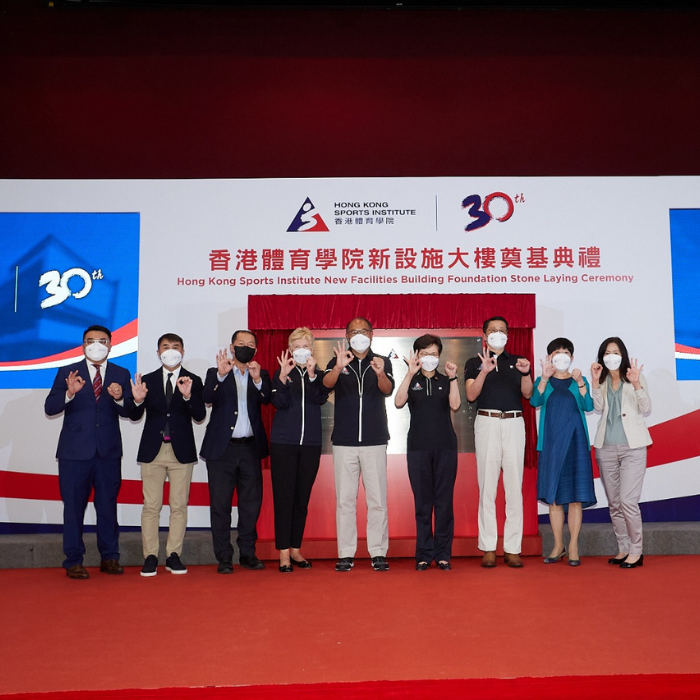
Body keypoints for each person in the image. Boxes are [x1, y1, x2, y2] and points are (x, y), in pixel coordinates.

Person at [44, 325, 133, 579]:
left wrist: (120, 398)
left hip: (108, 453)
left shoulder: (120, 373)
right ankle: (73, 560)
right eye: (91, 341)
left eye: (101, 340)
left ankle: (110, 557)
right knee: (73, 508)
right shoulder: (67, 372)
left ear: (110, 345)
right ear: (83, 345)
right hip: (74, 454)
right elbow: (50, 407)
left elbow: (131, 412)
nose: (96, 345)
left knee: (107, 506)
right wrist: (69, 393)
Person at [130, 333, 206, 577]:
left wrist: (187, 396)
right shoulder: (148, 380)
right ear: (157, 352)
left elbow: (199, 415)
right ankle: (150, 556)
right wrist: (138, 400)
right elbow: (133, 415)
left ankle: (174, 555)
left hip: (180, 452)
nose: (170, 351)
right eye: (165, 347)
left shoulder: (193, 379)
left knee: (178, 506)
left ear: (183, 352)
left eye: (175, 347)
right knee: (151, 506)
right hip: (153, 451)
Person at [323, 317, 395, 572]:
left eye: (363, 331)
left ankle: (378, 552)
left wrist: (380, 373)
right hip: (344, 440)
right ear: (346, 335)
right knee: (345, 500)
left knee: (377, 500)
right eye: (353, 332)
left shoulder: (380, 361)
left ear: (372, 334)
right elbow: (326, 385)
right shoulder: (339, 360)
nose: (359, 335)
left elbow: (387, 390)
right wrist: (337, 367)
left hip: (375, 440)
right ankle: (345, 553)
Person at [200, 330, 271, 574]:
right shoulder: (214, 372)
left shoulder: (260, 374)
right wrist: (221, 375)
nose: (245, 347)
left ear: (256, 350)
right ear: (232, 347)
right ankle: (224, 556)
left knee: (250, 504)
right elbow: (207, 398)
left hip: (250, 448)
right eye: (241, 344)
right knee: (220, 505)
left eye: (250, 345)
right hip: (222, 451)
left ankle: (248, 554)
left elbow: (266, 398)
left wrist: (258, 379)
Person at [464, 316, 532, 568]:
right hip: (487, 422)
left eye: (502, 330)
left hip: (514, 422)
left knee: (514, 487)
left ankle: (513, 548)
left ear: (508, 335)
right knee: (487, 486)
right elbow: (471, 395)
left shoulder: (519, 362)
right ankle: (489, 547)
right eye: (493, 330)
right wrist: (484, 372)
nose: (498, 334)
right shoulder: (474, 362)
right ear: (484, 335)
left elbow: (527, 393)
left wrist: (526, 374)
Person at [395, 334, 461, 571]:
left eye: (433, 354)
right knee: (423, 504)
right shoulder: (412, 380)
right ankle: (424, 554)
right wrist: (410, 373)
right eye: (424, 354)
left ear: (439, 355)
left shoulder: (446, 379)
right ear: (417, 356)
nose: (429, 358)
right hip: (418, 448)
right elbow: (398, 402)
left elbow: (455, 404)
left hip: (445, 447)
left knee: (444, 503)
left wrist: (453, 378)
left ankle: (443, 554)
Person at [530, 338, 596, 567]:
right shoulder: (543, 380)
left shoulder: (580, 379)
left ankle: (574, 545)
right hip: (551, 444)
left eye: (566, 352)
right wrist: (545, 377)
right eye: (556, 353)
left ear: (572, 357)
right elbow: (534, 401)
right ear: (549, 357)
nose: (561, 356)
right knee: (555, 499)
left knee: (575, 498)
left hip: (576, 442)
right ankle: (558, 545)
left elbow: (588, 406)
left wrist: (580, 383)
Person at [270, 328, 329, 573]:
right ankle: (283, 552)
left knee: (301, 499)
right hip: (284, 444)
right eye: (296, 345)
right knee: (284, 499)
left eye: (305, 345)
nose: (301, 349)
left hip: (311, 445)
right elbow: (279, 402)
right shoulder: (282, 373)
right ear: (290, 349)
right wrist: (283, 377)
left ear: (313, 349)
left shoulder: (320, 375)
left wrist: (314, 374)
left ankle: (295, 548)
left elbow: (320, 399)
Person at [591, 337, 652, 569]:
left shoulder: (634, 376)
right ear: (602, 357)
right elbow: (597, 407)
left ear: (623, 354)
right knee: (615, 503)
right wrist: (595, 383)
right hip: (605, 448)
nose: (611, 356)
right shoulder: (603, 379)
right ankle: (623, 548)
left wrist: (636, 384)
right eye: (607, 352)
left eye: (615, 352)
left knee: (628, 501)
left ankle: (637, 550)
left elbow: (646, 408)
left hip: (633, 448)